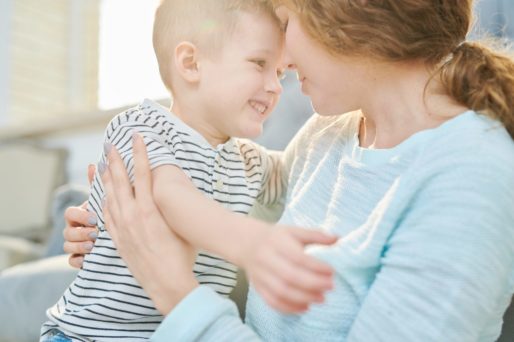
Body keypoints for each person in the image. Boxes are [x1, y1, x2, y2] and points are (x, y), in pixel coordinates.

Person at [65, 0, 514, 340]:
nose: (282, 61)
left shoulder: (473, 177)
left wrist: (175, 290)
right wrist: (120, 227)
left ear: (342, 14)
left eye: (284, 23)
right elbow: (221, 197)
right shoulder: (329, 134)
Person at [40, 0, 338, 341]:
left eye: (279, 73)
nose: (274, 86)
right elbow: (169, 194)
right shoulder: (141, 128)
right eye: (259, 63)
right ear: (191, 63)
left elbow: (301, 173)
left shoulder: (251, 161)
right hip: (86, 336)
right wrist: (252, 243)